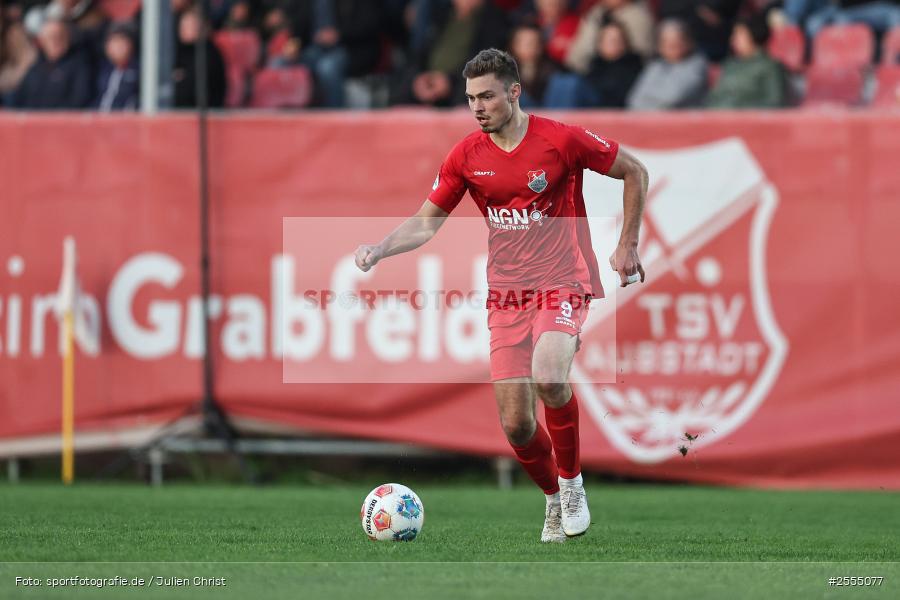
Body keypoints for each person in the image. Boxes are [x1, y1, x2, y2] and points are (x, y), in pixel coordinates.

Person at [354, 48, 648, 543]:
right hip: (507, 296)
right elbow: (427, 222)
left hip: (563, 278)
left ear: (514, 91)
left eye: (487, 95)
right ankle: (553, 499)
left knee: (549, 377)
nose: (477, 107)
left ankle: (573, 485)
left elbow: (634, 171)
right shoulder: (467, 156)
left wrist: (627, 244)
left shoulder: (561, 140)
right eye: (470, 98)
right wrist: (382, 248)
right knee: (515, 426)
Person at [10, 17, 92, 109]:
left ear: (68, 37)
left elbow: (79, 101)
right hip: (30, 120)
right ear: (41, 41)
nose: (55, 41)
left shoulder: (80, 64)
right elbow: (19, 98)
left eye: (60, 36)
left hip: (60, 121)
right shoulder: (36, 66)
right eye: (50, 37)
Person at [706, 15, 787, 109]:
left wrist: (737, 109)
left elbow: (774, 103)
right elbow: (713, 97)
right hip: (717, 118)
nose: (733, 40)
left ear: (754, 34)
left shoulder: (770, 67)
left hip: (748, 120)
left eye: (739, 35)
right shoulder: (730, 65)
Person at [627, 18, 708, 110]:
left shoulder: (697, 65)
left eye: (676, 42)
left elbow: (672, 99)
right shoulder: (655, 66)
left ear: (688, 43)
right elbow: (634, 99)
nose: (670, 46)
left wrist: (649, 101)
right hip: (650, 120)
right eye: (665, 42)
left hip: (684, 122)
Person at [583, 20, 643, 108]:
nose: (615, 44)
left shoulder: (633, 66)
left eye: (618, 40)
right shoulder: (594, 65)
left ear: (625, 43)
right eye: (610, 40)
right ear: (599, 44)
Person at [94, 23, 139, 110]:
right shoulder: (101, 68)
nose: (118, 47)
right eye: (114, 42)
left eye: (122, 42)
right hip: (98, 119)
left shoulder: (139, 70)